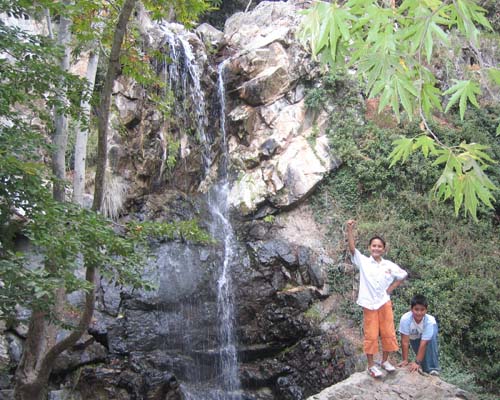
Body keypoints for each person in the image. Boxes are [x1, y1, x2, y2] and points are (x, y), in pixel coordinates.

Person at [346, 219, 407, 378]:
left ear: (384, 249)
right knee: (371, 335)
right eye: (374, 245)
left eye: (379, 246)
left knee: (388, 332)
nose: (376, 248)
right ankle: (371, 365)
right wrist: (350, 229)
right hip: (369, 304)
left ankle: (385, 361)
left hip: (384, 303)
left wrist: (390, 289)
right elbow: (352, 249)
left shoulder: (388, 265)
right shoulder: (364, 262)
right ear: (369, 248)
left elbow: (402, 275)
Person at [398, 294, 440, 376]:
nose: (419, 313)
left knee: (430, 343)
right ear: (411, 309)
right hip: (414, 334)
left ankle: (433, 369)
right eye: (416, 309)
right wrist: (405, 360)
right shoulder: (405, 319)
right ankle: (424, 369)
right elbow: (405, 342)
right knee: (419, 351)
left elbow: (424, 343)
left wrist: (417, 362)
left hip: (428, 332)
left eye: (422, 310)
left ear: (426, 310)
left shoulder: (429, 322)